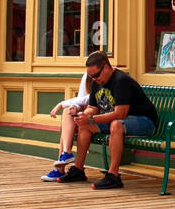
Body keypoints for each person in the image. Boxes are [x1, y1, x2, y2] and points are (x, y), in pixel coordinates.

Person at [58, 50, 157, 190]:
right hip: (117, 120)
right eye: (91, 76)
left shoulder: (121, 81)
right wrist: (82, 116)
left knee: (116, 125)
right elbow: (93, 108)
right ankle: (78, 169)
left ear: (105, 67)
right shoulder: (96, 82)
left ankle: (113, 175)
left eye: (96, 75)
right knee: (85, 126)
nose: (94, 79)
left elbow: (120, 114)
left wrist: (91, 118)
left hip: (144, 121)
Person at [41, 71, 93, 181]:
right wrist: (74, 106)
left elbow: (92, 99)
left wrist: (62, 103)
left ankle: (62, 164)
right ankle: (65, 154)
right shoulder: (87, 75)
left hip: (100, 115)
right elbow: (82, 97)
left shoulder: (107, 76)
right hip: (87, 113)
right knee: (67, 112)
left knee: (70, 116)